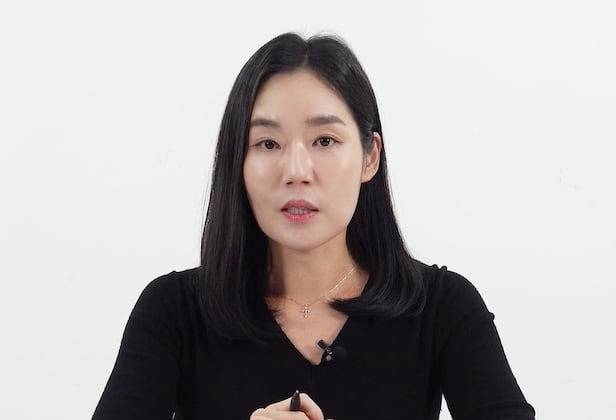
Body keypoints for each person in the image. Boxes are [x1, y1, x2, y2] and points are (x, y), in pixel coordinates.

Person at [92, 31, 536, 420]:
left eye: (324, 140)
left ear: (369, 157)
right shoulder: (173, 312)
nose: (296, 170)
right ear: (237, 162)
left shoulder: (442, 308)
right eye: (268, 143)